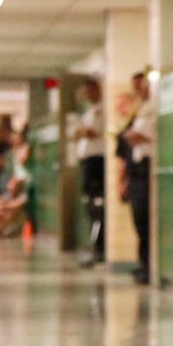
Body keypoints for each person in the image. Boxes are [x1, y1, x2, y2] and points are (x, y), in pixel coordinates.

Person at [121, 70, 155, 283]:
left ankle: (148, 264)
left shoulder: (153, 108)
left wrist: (133, 136)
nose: (138, 90)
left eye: (141, 85)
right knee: (137, 218)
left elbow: (142, 135)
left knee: (144, 218)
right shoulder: (140, 109)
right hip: (136, 169)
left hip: (146, 167)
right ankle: (142, 262)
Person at [73, 76, 106, 264]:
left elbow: (90, 133)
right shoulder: (88, 112)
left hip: (97, 161)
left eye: (90, 90)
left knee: (98, 206)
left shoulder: (102, 110)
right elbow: (79, 132)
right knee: (90, 205)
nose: (87, 94)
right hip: (87, 161)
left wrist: (83, 131)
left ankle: (99, 247)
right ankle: (95, 245)